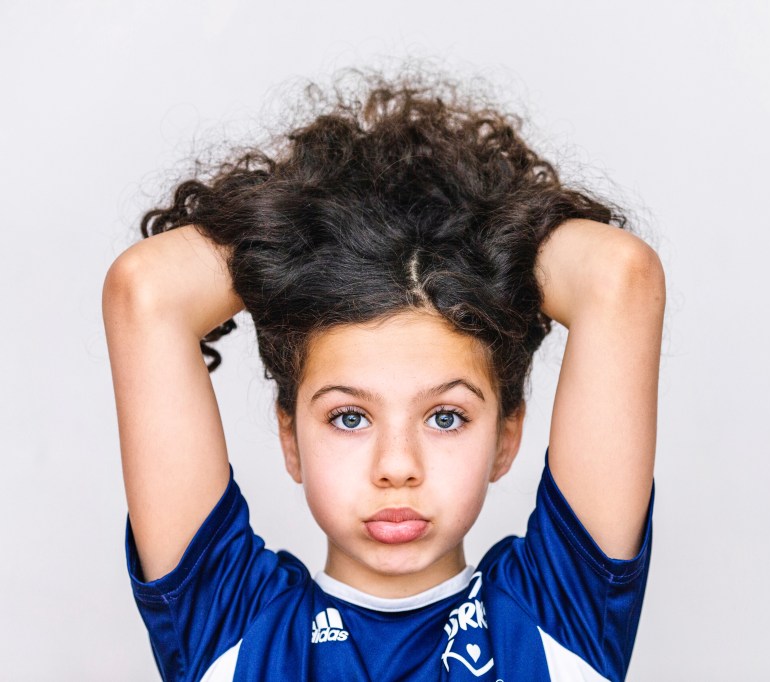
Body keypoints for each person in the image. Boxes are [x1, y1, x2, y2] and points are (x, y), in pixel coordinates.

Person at [102, 68, 666, 681]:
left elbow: (619, 279)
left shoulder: (556, 618)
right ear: (291, 438)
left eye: (446, 417)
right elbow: (148, 291)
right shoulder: (233, 627)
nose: (397, 466)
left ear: (506, 437)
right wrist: (318, 237)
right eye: (349, 417)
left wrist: (460, 237)